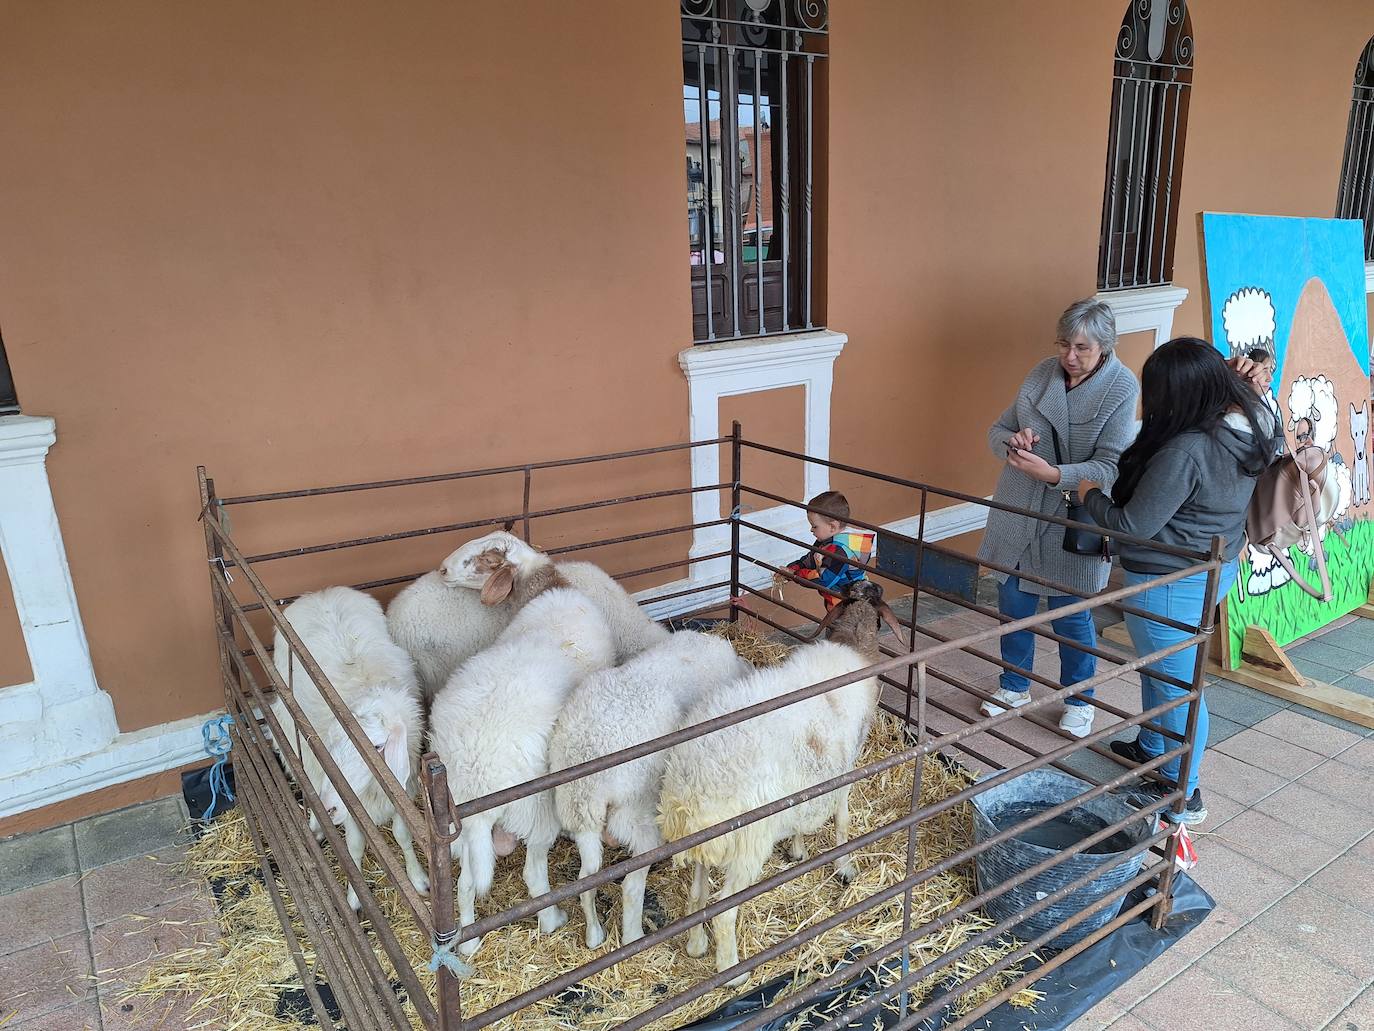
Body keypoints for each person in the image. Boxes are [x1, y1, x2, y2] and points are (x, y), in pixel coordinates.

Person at [1082, 339, 1272, 825]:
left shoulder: (1188, 449)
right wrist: (1238, 377)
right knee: (1164, 671)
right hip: (1215, 564)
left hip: (1169, 579)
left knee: (1178, 688)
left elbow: (1131, 525)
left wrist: (1087, 496)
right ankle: (1151, 748)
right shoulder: (1253, 417)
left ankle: (1185, 793)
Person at [977, 299, 1140, 739]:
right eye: (1064, 344)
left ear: (1105, 346)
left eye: (1082, 348)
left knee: (1071, 615)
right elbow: (996, 431)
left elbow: (1111, 467)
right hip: (1019, 508)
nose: (1070, 356)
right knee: (1012, 605)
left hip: (1074, 519)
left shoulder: (1122, 388)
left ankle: (1080, 699)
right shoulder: (1041, 373)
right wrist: (1014, 441)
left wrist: (1054, 474)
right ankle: (1013, 686)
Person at [776, 491, 875, 611]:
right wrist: (793, 568)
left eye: (814, 526)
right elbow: (810, 560)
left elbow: (824, 580)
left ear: (832, 527)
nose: (811, 530)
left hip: (848, 604)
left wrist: (795, 575)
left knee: (841, 629)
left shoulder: (840, 551)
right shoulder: (826, 540)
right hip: (837, 599)